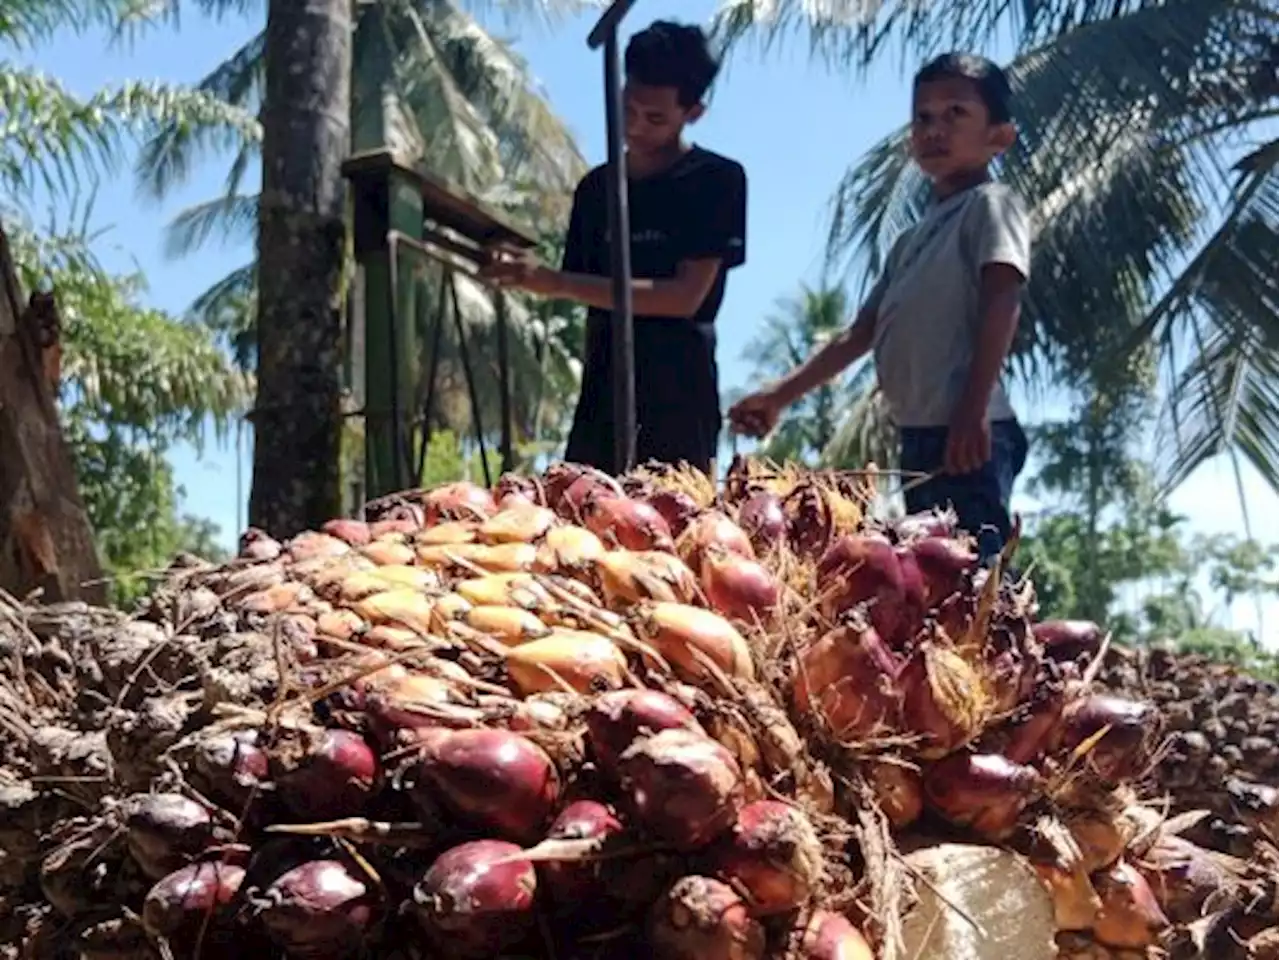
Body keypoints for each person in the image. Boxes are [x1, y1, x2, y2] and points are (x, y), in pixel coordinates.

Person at [730, 53, 1030, 563]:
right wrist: (780, 395)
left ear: (999, 136)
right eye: (923, 118)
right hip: (919, 433)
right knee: (930, 569)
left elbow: (1003, 295)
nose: (935, 129)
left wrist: (973, 407)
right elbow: (860, 333)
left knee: (976, 571)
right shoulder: (910, 241)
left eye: (956, 114)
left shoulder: (991, 205)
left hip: (969, 429)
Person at [481, 20, 746, 477]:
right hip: (600, 398)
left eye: (655, 117)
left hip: (679, 399)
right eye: (628, 109)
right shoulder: (595, 191)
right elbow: (585, 291)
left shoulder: (715, 181)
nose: (636, 126)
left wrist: (556, 283)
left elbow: (684, 298)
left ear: (693, 112)